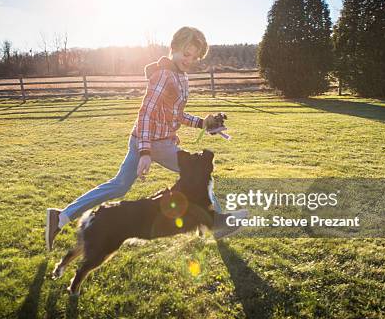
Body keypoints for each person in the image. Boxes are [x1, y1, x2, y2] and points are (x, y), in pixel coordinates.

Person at [46, 26, 247, 251]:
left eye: (195, 56)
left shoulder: (180, 76)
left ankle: (60, 217)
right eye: (186, 53)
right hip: (153, 143)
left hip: (150, 141)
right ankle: (215, 223)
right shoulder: (163, 75)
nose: (189, 60)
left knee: (119, 186)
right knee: (200, 171)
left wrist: (204, 123)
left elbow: (176, 115)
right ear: (174, 48)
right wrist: (145, 152)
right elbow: (146, 114)